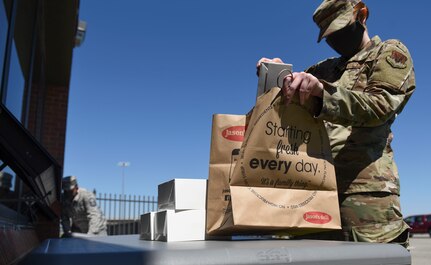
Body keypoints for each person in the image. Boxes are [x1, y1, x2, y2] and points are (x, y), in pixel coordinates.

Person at [257, 0, 415, 247]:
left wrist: (322, 93)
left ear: (361, 15)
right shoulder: (325, 68)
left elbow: (380, 106)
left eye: (340, 30)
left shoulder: (388, 52)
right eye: (329, 35)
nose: (336, 39)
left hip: (363, 198)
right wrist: (277, 77)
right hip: (313, 194)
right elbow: (289, 109)